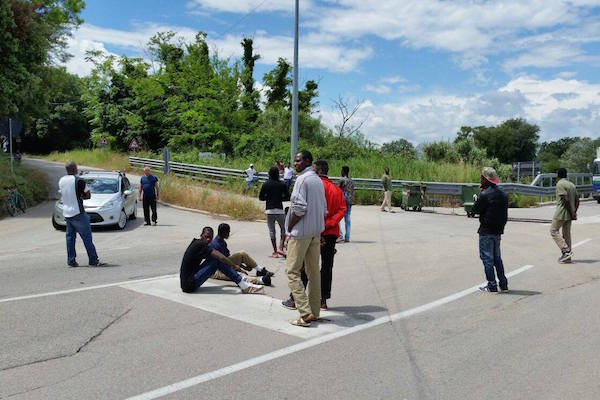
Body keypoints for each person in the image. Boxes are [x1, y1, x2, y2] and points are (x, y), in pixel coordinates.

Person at [283, 150, 326, 327]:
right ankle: (314, 311)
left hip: (301, 234)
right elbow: (323, 208)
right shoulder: (317, 180)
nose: (295, 163)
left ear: (308, 161)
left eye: (299, 161)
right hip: (315, 232)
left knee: (292, 272)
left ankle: (305, 311)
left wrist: (290, 226)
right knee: (313, 272)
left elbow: (299, 208)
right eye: (295, 161)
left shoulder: (302, 180)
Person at [179, 226, 264, 294]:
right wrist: (235, 266)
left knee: (216, 259)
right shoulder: (201, 244)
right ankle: (244, 286)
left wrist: (240, 267)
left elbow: (223, 257)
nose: (208, 239)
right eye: (206, 236)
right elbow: (221, 257)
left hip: (190, 279)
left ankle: (244, 282)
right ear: (201, 235)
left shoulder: (197, 243)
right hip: (189, 285)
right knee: (217, 260)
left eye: (210, 238)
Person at [58, 161, 104, 267]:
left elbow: (63, 193)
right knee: (87, 238)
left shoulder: (61, 180)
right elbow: (88, 195)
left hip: (67, 213)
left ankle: (71, 260)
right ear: (74, 169)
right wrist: (81, 196)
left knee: (70, 238)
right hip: (78, 213)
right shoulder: (79, 180)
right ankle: (93, 260)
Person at [472, 167, 509, 293]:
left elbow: (475, 210)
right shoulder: (503, 194)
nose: (481, 180)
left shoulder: (484, 194)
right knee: (497, 258)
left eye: (482, 178)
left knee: (487, 258)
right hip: (498, 231)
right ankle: (503, 284)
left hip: (486, 231)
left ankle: (492, 285)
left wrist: (478, 195)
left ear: (486, 179)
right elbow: (505, 215)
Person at [209, 223, 274, 286]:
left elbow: (228, 258)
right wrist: (239, 269)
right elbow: (223, 262)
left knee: (242, 254)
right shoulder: (215, 245)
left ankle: (260, 270)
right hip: (216, 270)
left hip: (224, 264)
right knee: (238, 275)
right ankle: (261, 280)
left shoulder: (222, 241)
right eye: (228, 232)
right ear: (223, 233)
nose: (229, 234)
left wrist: (243, 267)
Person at [259, 166, 290, 257]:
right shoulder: (282, 184)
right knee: (283, 229)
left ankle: (275, 252)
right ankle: (281, 247)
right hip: (279, 210)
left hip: (269, 210)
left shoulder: (266, 184)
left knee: (272, 231)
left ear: (269, 174)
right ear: (278, 174)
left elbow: (261, 197)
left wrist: (268, 198)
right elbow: (288, 196)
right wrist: (280, 199)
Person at [551, 168, 579, 263]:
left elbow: (564, 199)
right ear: (566, 175)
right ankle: (567, 257)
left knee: (553, 231)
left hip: (561, 212)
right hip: (570, 213)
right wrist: (574, 211)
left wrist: (571, 212)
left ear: (558, 175)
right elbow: (577, 200)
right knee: (567, 234)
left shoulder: (560, 184)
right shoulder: (571, 184)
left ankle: (566, 251)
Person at [338, 165, 354, 242]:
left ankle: (340, 235)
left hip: (343, 201)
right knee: (347, 219)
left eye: (341, 171)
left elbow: (338, 190)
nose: (341, 172)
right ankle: (347, 237)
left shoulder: (342, 180)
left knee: (337, 218)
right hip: (350, 201)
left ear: (343, 171)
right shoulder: (351, 180)